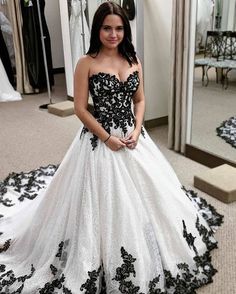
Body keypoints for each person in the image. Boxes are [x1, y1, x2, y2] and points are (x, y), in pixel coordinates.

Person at [0, 2, 223, 293]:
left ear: (125, 30)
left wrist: (137, 128)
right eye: (107, 27)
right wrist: (106, 138)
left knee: (154, 196)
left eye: (118, 28)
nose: (113, 34)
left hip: (133, 138)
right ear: (98, 29)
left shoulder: (133, 58)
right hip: (99, 140)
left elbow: (140, 100)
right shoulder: (87, 62)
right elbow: (80, 109)